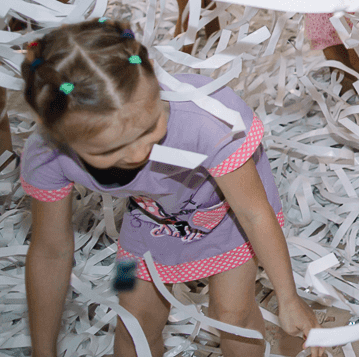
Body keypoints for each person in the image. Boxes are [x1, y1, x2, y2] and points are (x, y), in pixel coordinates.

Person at [20, 19, 319, 357]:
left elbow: (254, 212)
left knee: (232, 314)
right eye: (108, 151)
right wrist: (41, 352)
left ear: (157, 88)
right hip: (146, 218)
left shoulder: (207, 121)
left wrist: (288, 297)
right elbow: (50, 250)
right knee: (132, 321)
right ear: (58, 135)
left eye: (150, 128)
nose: (138, 154)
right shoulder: (47, 155)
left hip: (228, 213)